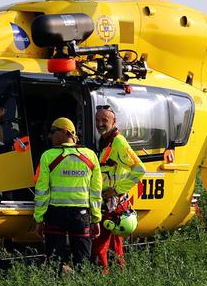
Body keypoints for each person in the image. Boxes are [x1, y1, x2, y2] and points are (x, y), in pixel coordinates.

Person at [33, 117, 101, 273]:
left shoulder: (48, 156)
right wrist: (96, 218)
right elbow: (95, 192)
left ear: (66, 132)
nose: (49, 136)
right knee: (83, 262)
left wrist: (39, 219)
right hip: (81, 215)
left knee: (54, 261)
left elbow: (42, 192)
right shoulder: (90, 156)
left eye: (53, 131)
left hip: (55, 214)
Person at [91, 105, 146, 272]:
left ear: (114, 122)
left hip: (112, 204)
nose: (100, 124)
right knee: (116, 247)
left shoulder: (118, 142)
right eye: (97, 120)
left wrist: (116, 190)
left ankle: (101, 277)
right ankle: (119, 276)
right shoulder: (105, 141)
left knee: (99, 246)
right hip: (111, 204)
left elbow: (140, 169)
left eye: (104, 120)